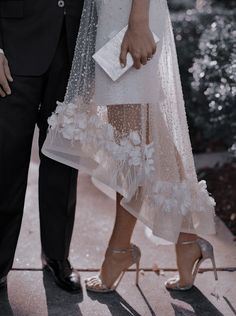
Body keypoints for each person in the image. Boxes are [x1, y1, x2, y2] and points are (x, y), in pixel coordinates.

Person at [43, 0, 218, 292]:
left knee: (133, 144)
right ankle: (187, 240)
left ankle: (120, 250)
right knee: (142, 136)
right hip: (113, 14)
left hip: (131, 18)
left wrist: (138, 21)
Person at [0, 0, 84, 292]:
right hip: (13, 44)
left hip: (74, 42)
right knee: (5, 158)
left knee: (63, 159)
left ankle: (56, 256)